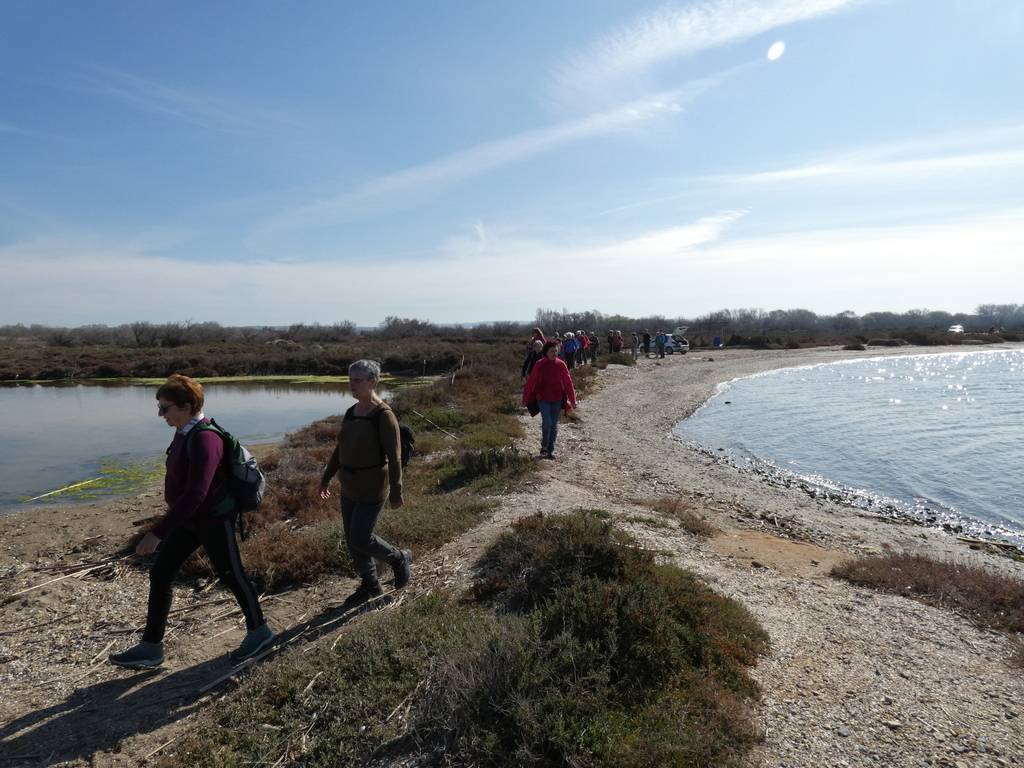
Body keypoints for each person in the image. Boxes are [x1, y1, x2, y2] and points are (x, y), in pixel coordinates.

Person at [109, 375, 273, 669]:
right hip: (191, 520)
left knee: (232, 575)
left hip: (213, 519)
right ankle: (151, 647)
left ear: (186, 407)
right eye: (159, 407)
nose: (161, 414)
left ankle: (260, 631)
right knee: (161, 574)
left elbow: (197, 493)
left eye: (165, 408)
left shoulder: (206, 439)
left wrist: (156, 533)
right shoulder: (184, 431)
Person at [320, 360, 411, 603]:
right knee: (352, 541)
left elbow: (395, 456)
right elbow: (341, 449)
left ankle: (398, 557)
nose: (352, 384)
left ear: (372, 382)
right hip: (349, 486)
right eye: (350, 380)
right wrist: (326, 477)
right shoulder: (351, 412)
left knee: (361, 537)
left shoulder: (384, 415)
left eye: (358, 380)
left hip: (373, 486)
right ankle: (370, 585)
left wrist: (396, 490)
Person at [522, 341, 577, 459]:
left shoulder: (561, 364)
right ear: (546, 352)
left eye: (556, 350)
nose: (555, 353)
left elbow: (568, 382)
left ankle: (550, 450)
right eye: (552, 351)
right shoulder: (539, 364)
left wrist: (573, 400)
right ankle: (544, 447)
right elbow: (531, 382)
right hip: (542, 398)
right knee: (547, 422)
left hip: (557, 398)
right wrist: (525, 398)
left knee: (554, 425)